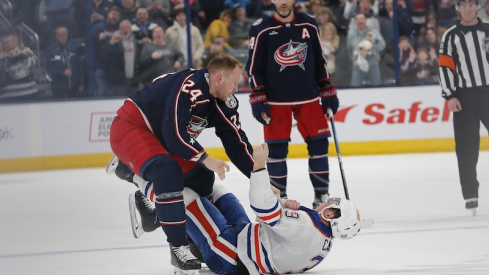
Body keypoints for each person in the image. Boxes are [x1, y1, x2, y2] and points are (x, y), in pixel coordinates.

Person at [109, 53, 254, 272]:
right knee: (167, 173)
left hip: (163, 138)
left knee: (204, 180)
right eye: (235, 83)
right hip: (134, 126)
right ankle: (178, 248)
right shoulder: (190, 87)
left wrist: (259, 175)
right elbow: (173, 134)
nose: (237, 88)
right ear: (219, 78)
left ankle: (155, 209)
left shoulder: (224, 100)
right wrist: (205, 158)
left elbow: (236, 141)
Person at [181, 143, 361, 274]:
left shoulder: (306, 226)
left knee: (184, 196)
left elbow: (262, 208)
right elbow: (277, 232)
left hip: (230, 252)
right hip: (247, 239)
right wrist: (282, 204)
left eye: (333, 204)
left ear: (330, 215)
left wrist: (259, 168)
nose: (329, 201)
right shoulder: (323, 242)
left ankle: (153, 199)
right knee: (218, 191)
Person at [245, 0, 339, 207]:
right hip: (275, 101)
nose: (283, 2)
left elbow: (319, 61)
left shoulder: (309, 24)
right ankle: (280, 198)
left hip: (309, 97)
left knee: (319, 145)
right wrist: (258, 96)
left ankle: (321, 195)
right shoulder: (261, 28)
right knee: (276, 151)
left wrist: (327, 88)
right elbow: (253, 67)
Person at [438, 0, 489, 216]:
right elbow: (445, 66)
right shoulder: (450, 35)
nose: (468, 9)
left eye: (472, 5)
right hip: (464, 97)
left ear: (478, 7)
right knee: (467, 149)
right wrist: (450, 95)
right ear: (458, 8)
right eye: (464, 5)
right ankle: (470, 195)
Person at [45, 26, 85, 98]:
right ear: (57, 36)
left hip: (74, 87)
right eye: (61, 35)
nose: (64, 37)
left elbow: (79, 67)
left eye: (65, 35)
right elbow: (49, 68)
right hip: (58, 87)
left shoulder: (72, 48)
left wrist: (81, 83)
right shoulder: (51, 50)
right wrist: (62, 72)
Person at [0, 34, 38, 99]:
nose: (7, 44)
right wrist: (3, 57)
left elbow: (32, 63)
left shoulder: (27, 52)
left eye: (13, 40)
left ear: (17, 41)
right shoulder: (1, 57)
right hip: (8, 95)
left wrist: (16, 54)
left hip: (30, 92)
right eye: (5, 42)